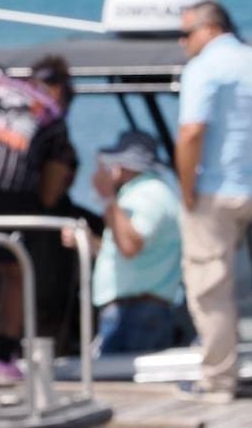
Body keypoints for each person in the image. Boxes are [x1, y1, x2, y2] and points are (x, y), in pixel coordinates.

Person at [0, 55, 78, 383]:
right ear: (61, 90)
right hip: (8, 193)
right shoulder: (51, 112)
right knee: (14, 270)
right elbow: (49, 193)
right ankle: (6, 356)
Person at [173, 0, 252, 403]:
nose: (181, 43)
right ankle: (224, 363)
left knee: (208, 288)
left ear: (211, 29)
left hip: (215, 190)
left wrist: (186, 190)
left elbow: (191, 132)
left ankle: (216, 380)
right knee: (223, 282)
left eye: (186, 34)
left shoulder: (204, 67)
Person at [63, 130, 182, 356]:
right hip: (135, 312)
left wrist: (108, 198)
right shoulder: (141, 194)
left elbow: (130, 246)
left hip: (136, 314)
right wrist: (88, 243)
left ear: (124, 165)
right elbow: (124, 250)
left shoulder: (148, 194)